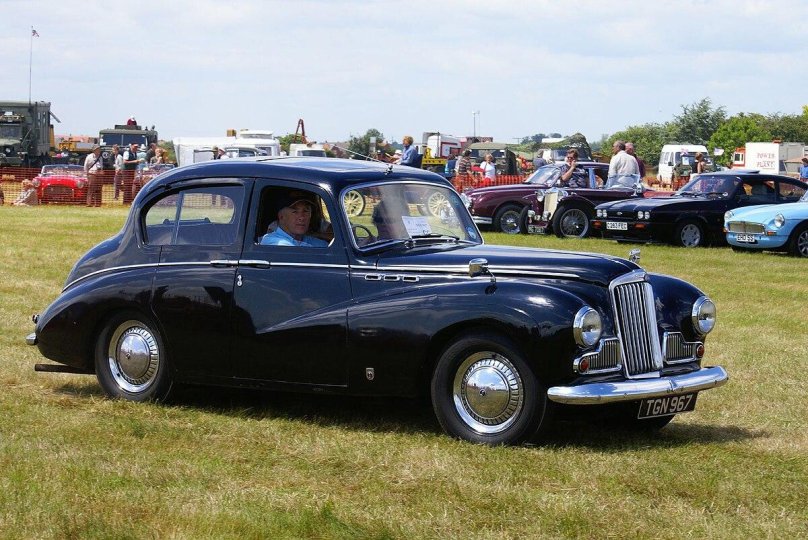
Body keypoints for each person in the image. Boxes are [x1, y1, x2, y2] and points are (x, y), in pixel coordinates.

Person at [260, 191, 328, 247]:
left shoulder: (318, 243)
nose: (302, 217)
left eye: (306, 211)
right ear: (281, 216)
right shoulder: (272, 242)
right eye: (295, 212)